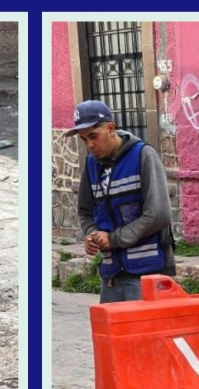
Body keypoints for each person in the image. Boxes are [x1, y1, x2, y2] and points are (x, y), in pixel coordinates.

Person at [69, 99, 176, 302]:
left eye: (93, 136)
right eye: (84, 140)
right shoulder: (91, 164)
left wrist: (113, 239)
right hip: (111, 275)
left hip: (148, 275)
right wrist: (93, 235)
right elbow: (85, 211)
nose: (90, 145)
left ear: (110, 128)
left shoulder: (143, 156)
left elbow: (158, 214)